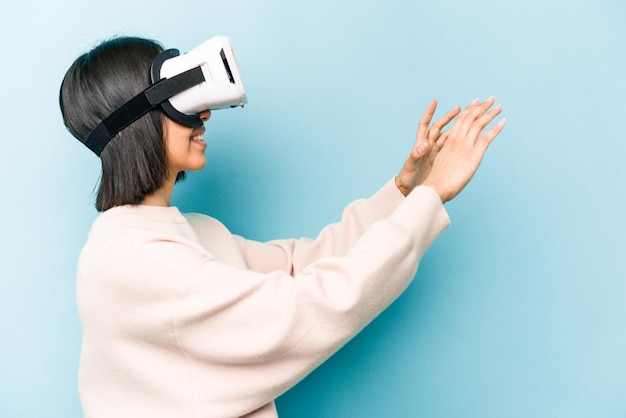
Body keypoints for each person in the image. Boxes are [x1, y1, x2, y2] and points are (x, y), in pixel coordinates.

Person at [59, 36, 505, 418]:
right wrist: (435, 196)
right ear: (139, 121)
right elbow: (303, 310)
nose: (205, 116)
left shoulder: (182, 232)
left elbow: (297, 268)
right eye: (181, 103)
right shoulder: (138, 259)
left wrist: (405, 192)